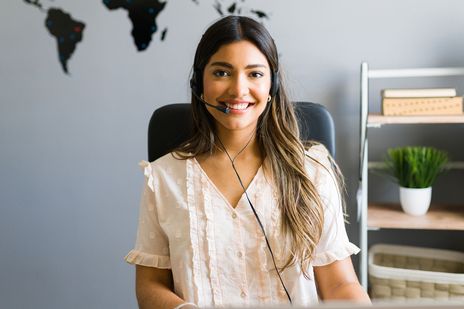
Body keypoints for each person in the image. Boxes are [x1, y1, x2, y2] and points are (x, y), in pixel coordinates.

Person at [125, 15, 371, 309]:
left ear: (273, 85)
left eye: (254, 74)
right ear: (199, 82)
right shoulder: (164, 177)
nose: (238, 90)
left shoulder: (311, 170)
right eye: (221, 73)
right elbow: (150, 285)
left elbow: (340, 283)